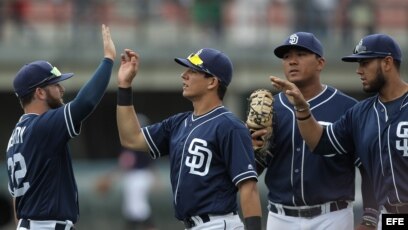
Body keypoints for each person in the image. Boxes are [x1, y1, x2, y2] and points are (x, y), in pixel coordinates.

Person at [270, 33, 407, 230]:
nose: (359, 71)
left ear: (387, 63)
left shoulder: (350, 107)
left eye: (365, 63)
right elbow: (320, 142)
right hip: (390, 216)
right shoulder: (360, 113)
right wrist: (302, 108)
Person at [116, 48, 262, 230]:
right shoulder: (178, 123)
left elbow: (248, 188)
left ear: (212, 82)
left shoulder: (229, 126)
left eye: (192, 71)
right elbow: (131, 139)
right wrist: (124, 86)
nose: (184, 75)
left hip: (218, 223)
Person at [252, 32, 378, 230]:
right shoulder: (271, 109)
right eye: (286, 57)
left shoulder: (347, 108)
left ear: (320, 63)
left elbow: (368, 168)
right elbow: (253, 171)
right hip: (280, 217)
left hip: (332, 216)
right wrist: (252, 149)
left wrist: (370, 216)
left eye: (301, 54)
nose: (292, 61)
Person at [6, 24, 116, 229]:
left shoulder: (16, 135)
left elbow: (16, 200)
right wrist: (108, 60)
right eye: (55, 85)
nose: (62, 88)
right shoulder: (41, 126)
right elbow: (86, 102)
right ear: (40, 93)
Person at [96, 114, 158, 230]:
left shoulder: (133, 143)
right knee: (132, 209)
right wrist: (155, 178)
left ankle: (150, 227)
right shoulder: (146, 142)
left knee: (138, 208)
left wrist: (109, 177)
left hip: (138, 177)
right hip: (140, 176)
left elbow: (125, 164)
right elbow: (150, 164)